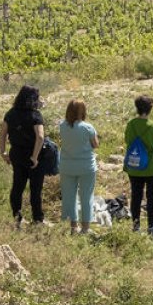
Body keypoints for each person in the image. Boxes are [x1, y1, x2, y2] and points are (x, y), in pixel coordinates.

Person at [0, 85, 46, 228]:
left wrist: (3, 152)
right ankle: (37, 219)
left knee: (17, 186)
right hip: (33, 155)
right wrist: (35, 156)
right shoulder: (35, 115)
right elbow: (40, 137)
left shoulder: (10, 113)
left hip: (17, 154)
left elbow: (2, 134)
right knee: (35, 188)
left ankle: (17, 217)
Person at [124, 94, 153, 234]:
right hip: (152, 167)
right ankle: (152, 226)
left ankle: (136, 226)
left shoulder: (130, 124)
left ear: (137, 108)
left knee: (136, 195)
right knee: (152, 197)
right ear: (150, 109)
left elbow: (127, 140)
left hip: (134, 166)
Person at [58, 99, 99, 235]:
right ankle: (85, 228)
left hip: (67, 165)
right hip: (86, 166)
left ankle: (72, 226)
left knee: (69, 196)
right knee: (86, 196)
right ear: (82, 112)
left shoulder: (62, 126)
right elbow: (95, 144)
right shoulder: (87, 127)